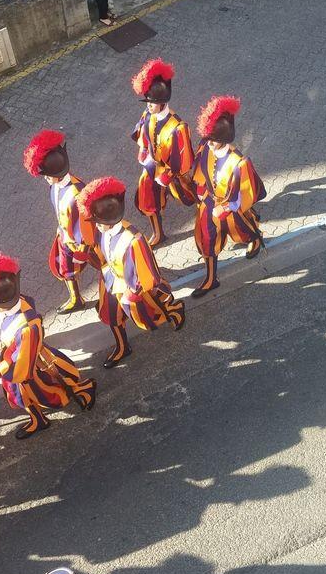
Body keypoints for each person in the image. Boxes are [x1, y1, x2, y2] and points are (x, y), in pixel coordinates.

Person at [0, 254, 96, 439]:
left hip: (33, 367)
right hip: (17, 361)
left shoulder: (26, 327)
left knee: (54, 390)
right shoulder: (14, 301)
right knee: (24, 396)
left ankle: (84, 389)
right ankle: (38, 419)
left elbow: (20, 371)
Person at [76, 177, 185, 368]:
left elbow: (148, 275)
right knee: (111, 315)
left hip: (133, 288)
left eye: (97, 221)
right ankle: (122, 346)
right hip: (111, 281)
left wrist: (131, 293)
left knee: (152, 313)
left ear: (107, 220)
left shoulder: (134, 240)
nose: (96, 225)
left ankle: (173, 309)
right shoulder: (102, 231)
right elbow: (103, 257)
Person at [191, 95, 266, 297]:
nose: (209, 143)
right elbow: (199, 174)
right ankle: (211, 278)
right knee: (207, 237)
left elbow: (244, 193)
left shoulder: (239, 162)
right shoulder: (205, 148)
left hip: (230, 206)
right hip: (209, 202)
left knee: (241, 230)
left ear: (222, 140)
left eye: (212, 140)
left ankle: (255, 238)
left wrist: (227, 208)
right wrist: (200, 193)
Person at [23, 129, 95, 313]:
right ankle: (76, 298)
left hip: (85, 243)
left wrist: (82, 249)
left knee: (102, 263)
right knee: (66, 269)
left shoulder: (76, 194)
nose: (45, 179)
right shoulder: (56, 186)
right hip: (67, 237)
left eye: (47, 175)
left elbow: (85, 225)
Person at [130, 58, 195, 246]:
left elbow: (183, 159)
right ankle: (159, 233)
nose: (148, 105)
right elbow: (142, 134)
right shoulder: (147, 114)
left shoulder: (178, 127)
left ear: (162, 102)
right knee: (148, 198)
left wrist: (169, 175)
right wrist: (144, 151)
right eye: (148, 101)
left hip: (172, 171)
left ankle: (205, 209)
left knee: (187, 195)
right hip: (152, 166)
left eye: (152, 102)